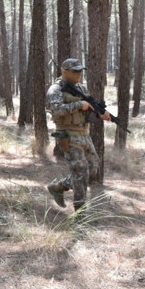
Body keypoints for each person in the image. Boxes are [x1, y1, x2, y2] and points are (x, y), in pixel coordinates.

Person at [46, 58, 111, 211]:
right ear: (65, 72)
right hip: (68, 135)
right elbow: (57, 110)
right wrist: (79, 104)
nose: (79, 74)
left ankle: (59, 186)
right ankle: (80, 214)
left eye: (80, 71)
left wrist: (100, 113)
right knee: (80, 172)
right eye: (75, 71)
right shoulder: (56, 89)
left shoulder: (81, 88)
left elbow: (88, 108)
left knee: (93, 168)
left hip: (84, 134)